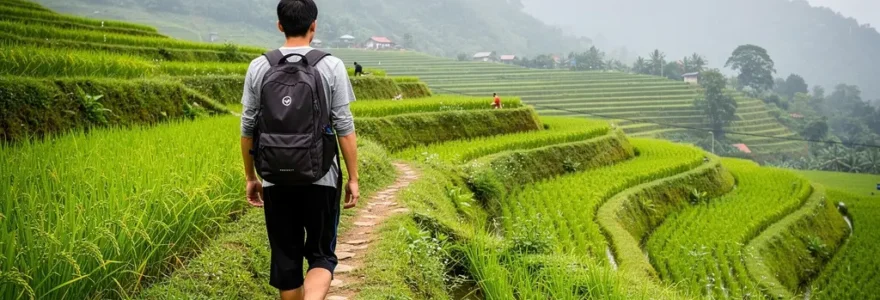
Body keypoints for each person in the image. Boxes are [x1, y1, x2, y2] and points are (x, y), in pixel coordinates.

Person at [239, 1, 360, 299]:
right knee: (321, 255)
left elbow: (247, 128)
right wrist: (354, 178)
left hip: (275, 178)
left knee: (286, 260)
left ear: (280, 25)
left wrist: (251, 176)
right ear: (314, 25)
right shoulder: (330, 65)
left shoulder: (260, 66)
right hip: (321, 177)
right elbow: (344, 127)